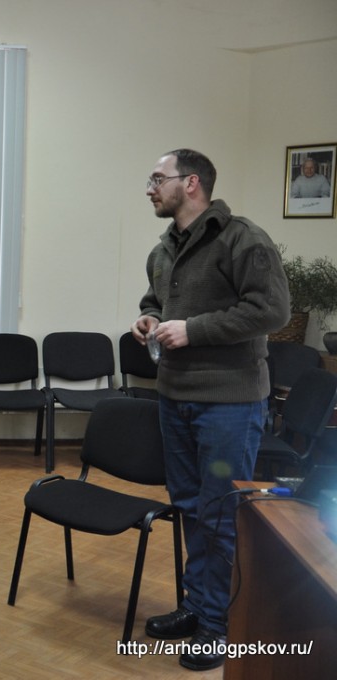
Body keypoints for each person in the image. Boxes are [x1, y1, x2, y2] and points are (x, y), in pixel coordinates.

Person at [131, 149, 290, 671]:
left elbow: (272, 311)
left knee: (221, 514)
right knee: (190, 507)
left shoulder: (243, 239)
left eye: (158, 178)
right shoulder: (163, 248)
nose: (150, 188)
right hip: (174, 396)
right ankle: (196, 607)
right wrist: (149, 319)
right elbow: (156, 300)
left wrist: (193, 330)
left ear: (191, 183)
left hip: (229, 404)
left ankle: (219, 626)